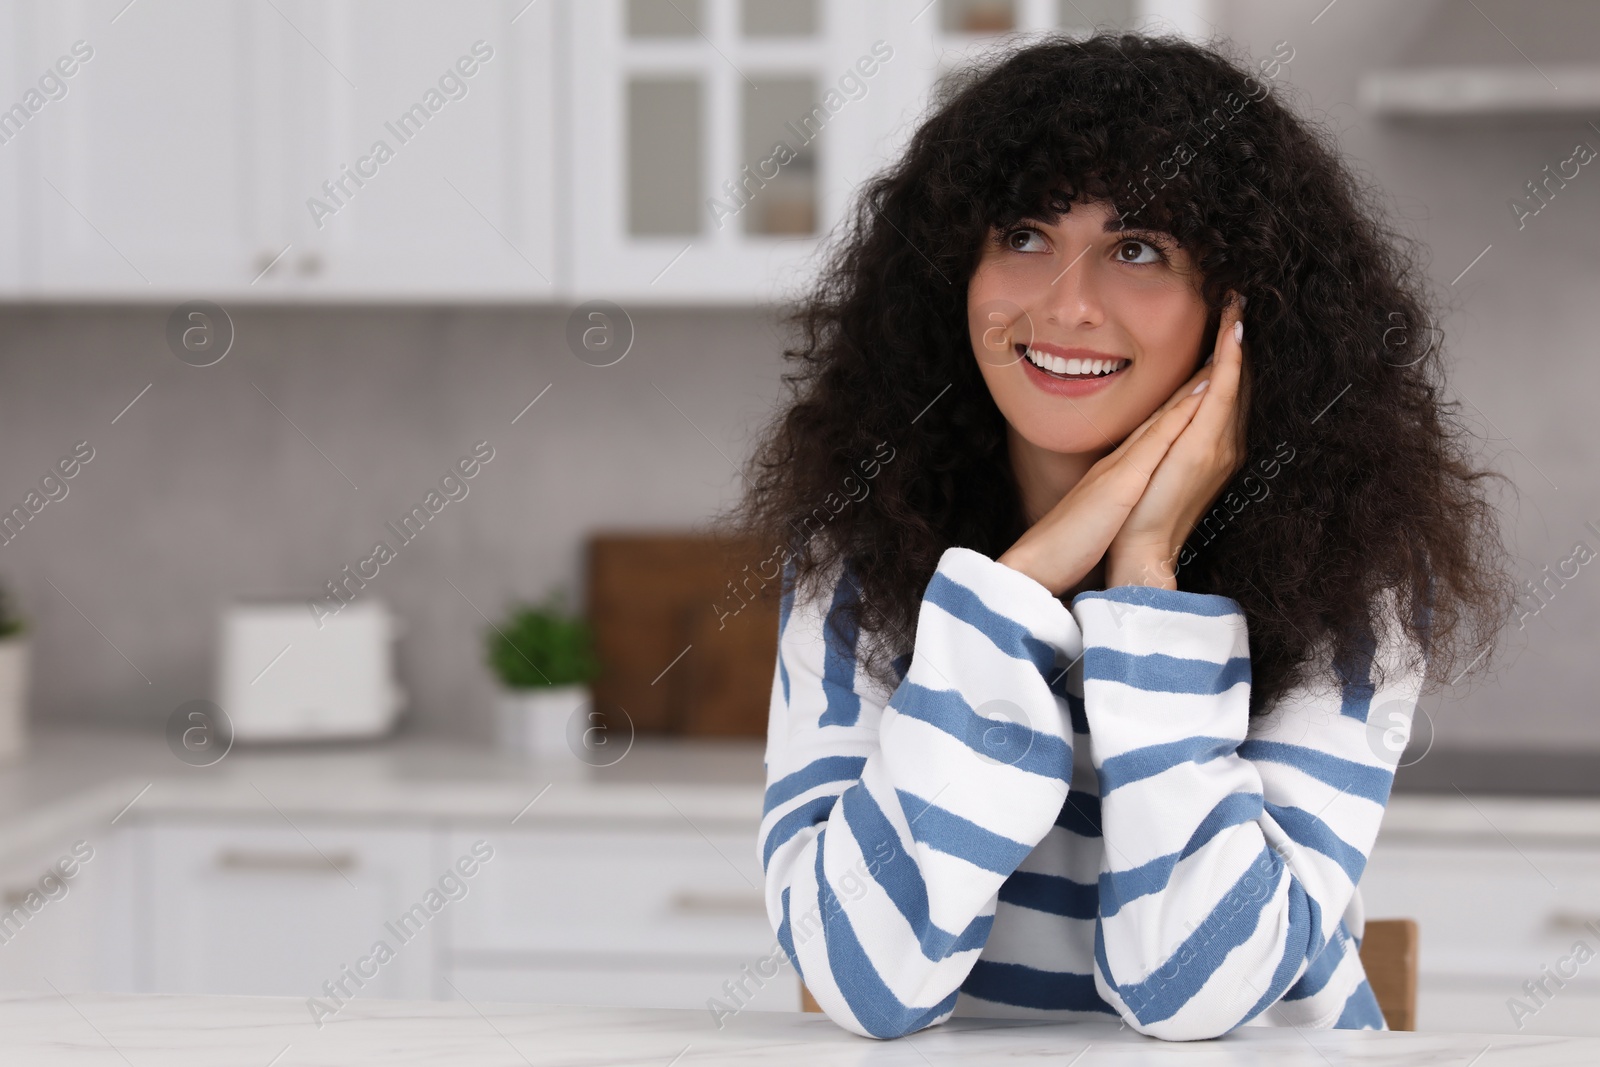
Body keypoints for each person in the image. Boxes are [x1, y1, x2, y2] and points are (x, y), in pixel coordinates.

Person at [727, 32, 1516, 1041]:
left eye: (1137, 249)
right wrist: (1017, 590)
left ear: (1244, 307)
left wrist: (1146, 586)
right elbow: (864, 978)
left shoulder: (1351, 568)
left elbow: (1195, 990)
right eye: (1022, 234)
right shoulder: (857, 552)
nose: (1065, 303)